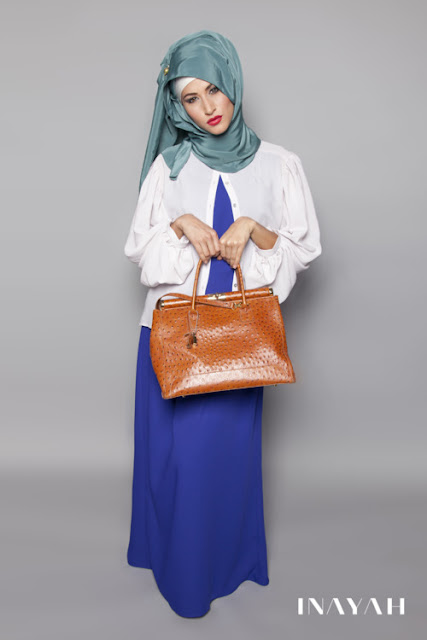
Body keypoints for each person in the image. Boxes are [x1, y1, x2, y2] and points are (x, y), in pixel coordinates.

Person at [123, 29, 322, 618]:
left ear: (232, 83)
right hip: (171, 334)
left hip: (239, 337)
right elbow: (141, 253)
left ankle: (226, 564)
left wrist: (253, 230)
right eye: (190, 98)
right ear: (176, 107)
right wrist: (180, 224)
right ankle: (178, 571)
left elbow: (301, 250)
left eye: (214, 89)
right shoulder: (168, 167)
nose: (208, 107)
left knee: (222, 462)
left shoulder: (280, 164)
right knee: (173, 461)